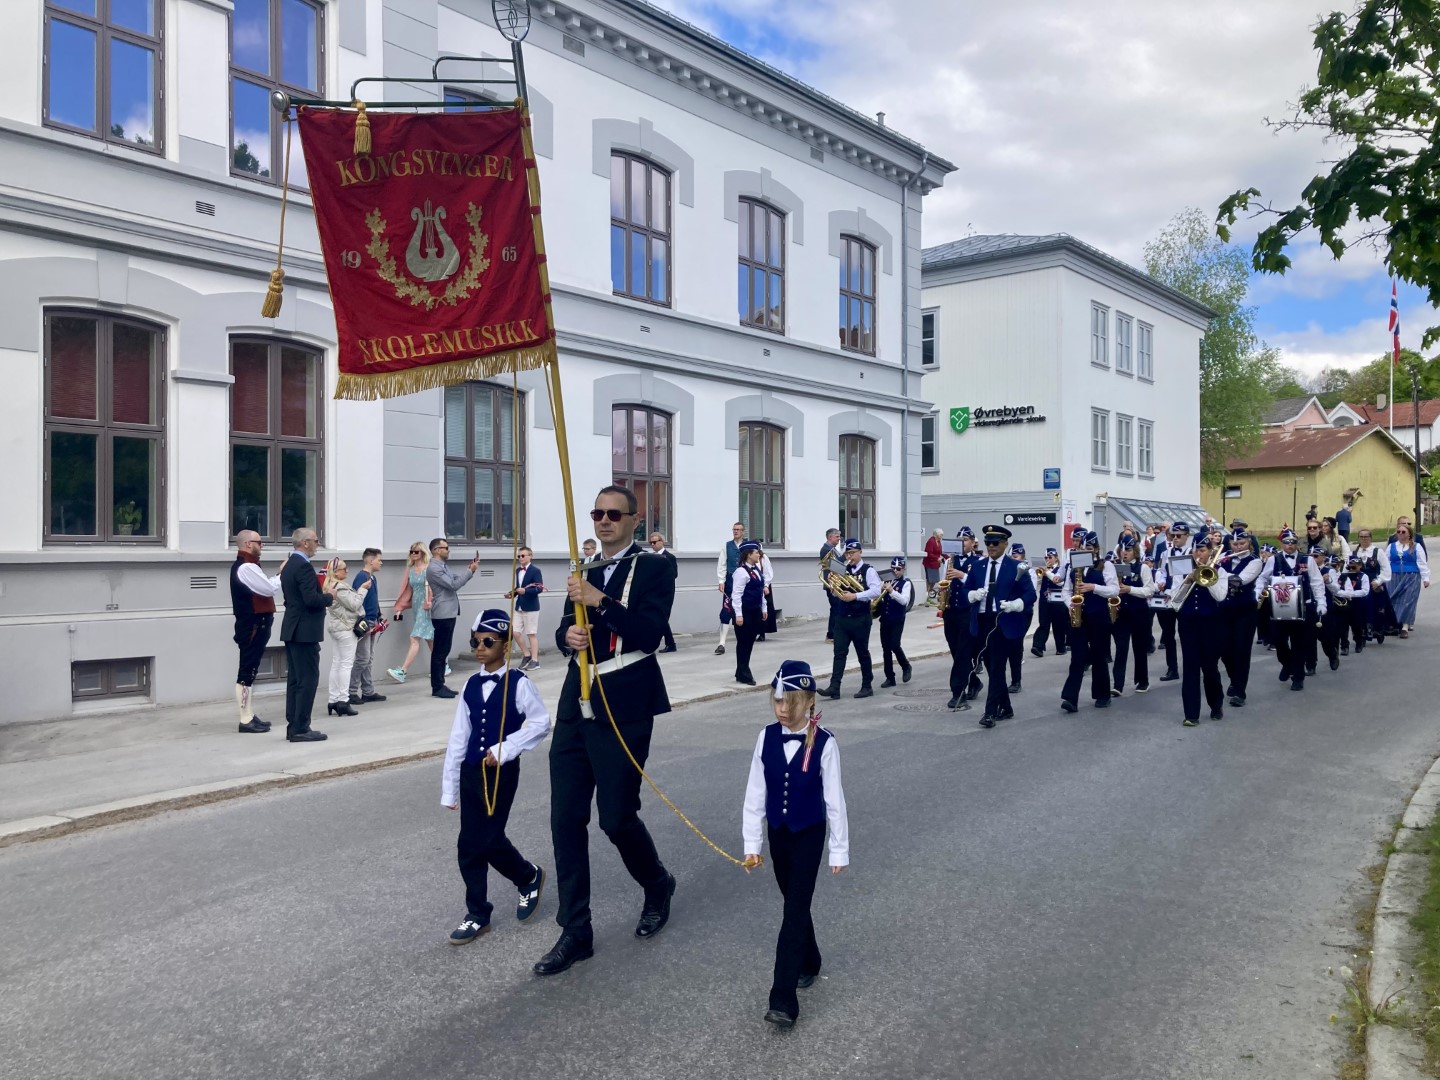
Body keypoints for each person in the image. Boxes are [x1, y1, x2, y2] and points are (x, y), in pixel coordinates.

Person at [535, 485, 677, 978]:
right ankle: (576, 930)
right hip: (578, 697)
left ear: (634, 520)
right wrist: (566, 636)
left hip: (628, 696)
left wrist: (601, 600)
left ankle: (657, 882)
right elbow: (561, 630)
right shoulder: (584, 569)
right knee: (565, 818)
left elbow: (649, 633)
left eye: (614, 514)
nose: (603, 521)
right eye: (597, 513)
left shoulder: (657, 566)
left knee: (616, 818)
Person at [742, 660, 849, 1030]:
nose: (783, 710)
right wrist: (751, 844)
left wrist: (839, 850)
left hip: (809, 834)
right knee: (794, 902)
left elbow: (835, 801)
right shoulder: (765, 737)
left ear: (808, 702)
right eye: (777, 702)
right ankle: (811, 960)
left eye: (790, 703)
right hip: (778, 834)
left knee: (793, 911)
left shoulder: (825, 743)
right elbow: (755, 794)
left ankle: (783, 997)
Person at [441, 609, 551, 946]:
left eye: (488, 641)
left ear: (505, 645)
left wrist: (507, 747)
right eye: (475, 641)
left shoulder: (518, 683)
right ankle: (477, 913)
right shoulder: (471, 685)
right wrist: (450, 789)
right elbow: (459, 736)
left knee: (487, 839)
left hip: (501, 773)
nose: (479, 647)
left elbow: (541, 722)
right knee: (468, 844)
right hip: (471, 770)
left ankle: (528, 876)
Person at [967, 525, 1036, 727]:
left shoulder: (1016, 567)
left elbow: (1031, 594)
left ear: (1005, 544)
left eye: (995, 543)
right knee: (990, 667)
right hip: (982, 622)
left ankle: (990, 713)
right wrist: (971, 595)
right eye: (988, 542)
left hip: (1003, 622)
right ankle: (1006, 707)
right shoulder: (979, 566)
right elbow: (966, 589)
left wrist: (1017, 605)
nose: (990, 546)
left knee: (997, 668)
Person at [278, 528, 331, 742]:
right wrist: (329, 596)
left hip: (293, 628)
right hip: (304, 631)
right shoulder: (304, 567)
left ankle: (294, 725)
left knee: (295, 679)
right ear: (306, 543)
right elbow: (311, 600)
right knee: (307, 679)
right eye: (316, 541)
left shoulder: (289, 565)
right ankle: (301, 727)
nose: (318, 544)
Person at [1173, 535, 1231, 726]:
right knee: (1190, 667)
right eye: (1196, 550)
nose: (1199, 553)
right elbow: (1173, 599)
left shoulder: (1220, 571)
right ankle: (1191, 714)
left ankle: (1216, 704)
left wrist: (1208, 576)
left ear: (1210, 552)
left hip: (1210, 625)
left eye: (1203, 550)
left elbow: (1221, 596)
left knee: (1209, 668)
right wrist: (1188, 580)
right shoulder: (1181, 568)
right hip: (1188, 623)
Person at [1059, 531, 1118, 713]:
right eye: (1083, 547)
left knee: (1099, 656)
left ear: (1096, 549)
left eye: (1090, 548)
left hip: (1099, 616)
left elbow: (1114, 590)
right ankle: (1070, 698)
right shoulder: (1072, 565)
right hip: (1079, 616)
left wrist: (1094, 587)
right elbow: (1066, 590)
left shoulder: (1105, 565)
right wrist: (1070, 604)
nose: (1086, 550)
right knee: (1077, 657)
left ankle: (1102, 695)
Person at [230, 530, 281, 734]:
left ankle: (249, 714)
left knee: (250, 670)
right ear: (249, 544)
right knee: (247, 671)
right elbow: (268, 589)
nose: (262, 546)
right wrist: (281, 575)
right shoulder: (246, 567)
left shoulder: (249, 566)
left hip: (256, 624)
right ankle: (245, 718)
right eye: (260, 542)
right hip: (252, 625)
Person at [817, 540, 880, 700]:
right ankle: (834, 687)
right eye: (847, 553)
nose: (849, 556)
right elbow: (838, 593)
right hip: (842, 618)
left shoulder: (868, 570)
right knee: (839, 653)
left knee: (862, 653)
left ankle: (867, 686)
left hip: (860, 618)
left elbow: (875, 591)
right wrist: (833, 588)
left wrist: (856, 596)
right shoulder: (843, 570)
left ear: (860, 552)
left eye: (852, 553)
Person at [1269, 528, 1326, 691]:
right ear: (1281, 543)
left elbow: (1317, 582)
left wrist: (1321, 602)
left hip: (1303, 606)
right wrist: (1258, 591)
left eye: (1293, 542)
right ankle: (1287, 664)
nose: (1290, 545)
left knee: (1299, 643)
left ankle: (1298, 677)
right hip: (1280, 606)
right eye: (1286, 542)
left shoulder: (1307, 560)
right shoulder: (1274, 560)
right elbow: (1263, 578)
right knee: (1279, 641)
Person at [426, 538, 479, 699]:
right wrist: (470, 572)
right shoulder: (434, 568)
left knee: (444, 649)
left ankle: (440, 683)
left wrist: (469, 570)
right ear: (436, 550)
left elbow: (455, 579)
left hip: (448, 611)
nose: (448, 550)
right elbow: (453, 585)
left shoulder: (442, 566)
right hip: (442, 612)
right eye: (446, 548)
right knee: (440, 651)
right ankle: (437, 686)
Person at [1218, 529, 1264, 707]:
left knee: (1241, 651)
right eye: (1235, 544)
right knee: (1224, 650)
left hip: (1245, 611)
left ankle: (1240, 691)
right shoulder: (1223, 558)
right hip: (1224, 610)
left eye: (1242, 544)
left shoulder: (1255, 561)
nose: (1238, 547)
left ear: (1249, 544)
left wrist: (1220, 575)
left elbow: (1241, 580)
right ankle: (1233, 679)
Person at [942, 527, 984, 710]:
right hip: (951, 611)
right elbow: (944, 581)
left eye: (966, 539)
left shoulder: (979, 561)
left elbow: (981, 586)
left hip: (968, 612)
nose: (963, 543)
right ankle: (974, 681)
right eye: (960, 540)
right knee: (955, 651)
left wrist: (962, 576)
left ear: (973, 542)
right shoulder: (950, 561)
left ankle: (958, 693)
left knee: (963, 652)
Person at [321, 557, 369, 717]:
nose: (347, 571)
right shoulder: (339, 587)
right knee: (346, 664)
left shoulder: (328, 586)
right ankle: (343, 700)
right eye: (344, 568)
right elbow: (354, 605)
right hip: (346, 629)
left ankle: (333, 700)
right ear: (335, 572)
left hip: (336, 628)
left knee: (337, 663)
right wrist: (363, 589)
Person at [1110, 533, 1155, 696]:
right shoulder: (1115, 567)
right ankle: (1117, 684)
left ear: (1134, 550)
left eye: (1128, 550)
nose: (1125, 553)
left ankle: (1143, 681)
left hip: (1139, 612)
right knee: (1121, 649)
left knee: (1139, 648)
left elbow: (1150, 590)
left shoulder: (1142, 568)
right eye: (1122, 550)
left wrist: (1130, 589)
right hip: (1122, 613)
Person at [389, 543, 439, 684]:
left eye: (416, 551)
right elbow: (408, 591)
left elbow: (434, 587)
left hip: (426, 607)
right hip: (417, 607)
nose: (413, 554)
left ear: (422, 552)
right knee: (429, 638)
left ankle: (402, 671)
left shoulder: (429, 569)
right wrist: (401, 607)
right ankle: (443, 665)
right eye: (411, 551)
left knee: (415, 637)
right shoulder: (411, 570)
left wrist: (431, 602)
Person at [1151, 522, 1191, 682]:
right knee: (1168, 635)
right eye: (1172, 535)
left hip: (1183, 597)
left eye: (1178, 536)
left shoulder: (1191, 552)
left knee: (1186, 634)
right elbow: (1161, 570)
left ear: (1186, 536)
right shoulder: (1166, 552)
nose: (1175, 539)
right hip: (1168, 596)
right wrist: (1159, 581)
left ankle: (1190, 667)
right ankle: (1172, 668)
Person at [348, 548, 387, 706]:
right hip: (365, 622)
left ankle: (368, 691)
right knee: (362, 658)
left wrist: (379, 615)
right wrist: (362, 621)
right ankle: (350, 691)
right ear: (371, 561)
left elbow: (373, 600)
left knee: (368, 658)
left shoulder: (373, 578)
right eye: (379, 559)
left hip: (373, 620)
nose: (381, 562)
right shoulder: (361, 577)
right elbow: (357, 600)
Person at [730, 540, 767, 685]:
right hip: (744, 611)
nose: (759, 554)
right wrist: (738, 614)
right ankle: (744, 672)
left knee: (750, 641)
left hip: (754, 610)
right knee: (743, 642)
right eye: (756, 552)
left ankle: (741, 671)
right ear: (749, 554)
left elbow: (761, 591)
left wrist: (763, 608)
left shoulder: (756, 569)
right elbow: (736, 594)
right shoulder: (741, 572)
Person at [1353, 528, 1397, 642]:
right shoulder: (1355, 553)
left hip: (1374, 583)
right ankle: (1362, 631)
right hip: (1360, 583)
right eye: (1361, 537)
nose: (1364, 539)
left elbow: (1386, 569)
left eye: (1366, 537)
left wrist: (1378, 581)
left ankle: (1378, 630)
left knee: (1377, 608)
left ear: (1370, 538)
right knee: (1360, 609)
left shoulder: (1378, 552)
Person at [1388, 521, 1430, 637]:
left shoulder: (1416, 546)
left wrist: (1426, 578)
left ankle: (1405, 626)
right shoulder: (1391, 547)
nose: (1400, 533)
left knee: (1408, 601)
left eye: (1403, 532)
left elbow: (1422, 563)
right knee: (1393, 598)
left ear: (1409, 534)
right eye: (1398, 531)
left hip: (1411, 576)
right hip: (1394, 576)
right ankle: (1395, 622)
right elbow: (1386, 563)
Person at [506, 546, 545, 670]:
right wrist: (512, 593)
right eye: (519, 556)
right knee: (515, 632)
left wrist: (525, 592)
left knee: (531, 634)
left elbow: (539, 588)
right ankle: (526, 655)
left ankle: (535, 660)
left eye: (523, 556)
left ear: (530, 556)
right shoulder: (518, 571)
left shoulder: (535, 571)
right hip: (520, 606)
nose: (520, 558)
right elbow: (519, 587)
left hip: (531, 607)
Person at [878, 556, 914, 688]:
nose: (896, 571)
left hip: (897, 618)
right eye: (893, 568)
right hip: (885, 618)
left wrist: (892, 591)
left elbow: (904, 601)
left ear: (903, 569)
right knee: (885, 648)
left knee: (894, 645)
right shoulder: (887, 580)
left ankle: (906, 666)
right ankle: (889, 677)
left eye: (898, 569)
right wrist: (880, 590)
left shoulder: (906, 583)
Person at [1005, 542, 1034, 693]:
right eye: (1011, 556)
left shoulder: (1028, 571)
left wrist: (1016, 604)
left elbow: (1031, 593)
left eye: (1015, 556)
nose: (1012, 558)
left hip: (1023, 611)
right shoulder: (1008, 569)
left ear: (1021, 556)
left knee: (1016, 645)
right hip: (1006, 611)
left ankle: (1016, 681)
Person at [1032, 547, 1067, 658]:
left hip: (1058, 601)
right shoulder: (1044, 570)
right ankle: (1038, 646)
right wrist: (1039, 573)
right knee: (1043, 624)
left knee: (1058, 625)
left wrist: (1047, 572)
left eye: (1050, 557)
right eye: (1046, 557)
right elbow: (1036, 582)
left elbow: (1059, 583)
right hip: (1044, 600)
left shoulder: (1060, 569)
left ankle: (1061, 648)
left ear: (1056, 558)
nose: (1047, 559)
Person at [646, 533, 679, 652]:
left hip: (665, 592)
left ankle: (670, 643)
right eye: (651, 543)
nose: (652, 545)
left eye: (654, 542)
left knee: (662, 617)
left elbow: (674, 574)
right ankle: (670, 643)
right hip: (653, 591)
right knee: (659, 617)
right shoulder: (651, 557)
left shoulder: (669, 557)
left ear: (662, 542)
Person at [715, 522, 744, 656]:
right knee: (727, 609)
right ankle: (722, 643)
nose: (736, 531)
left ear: (743, 531)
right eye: (734, 529)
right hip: (731, 581)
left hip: (745, 580)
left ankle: (744, 638)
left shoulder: (749, 546)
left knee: (744, 608)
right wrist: (721, 580)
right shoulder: (727, 546)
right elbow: (722, 564)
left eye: (738, 530)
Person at [1335, 555, 1372, 655]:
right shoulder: (1343, 576)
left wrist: (1351, 594)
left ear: (1360, 566)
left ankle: (1359, 642)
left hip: (1358, 604)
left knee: (1357, 625)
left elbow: (1365, 591)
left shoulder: (1363, 576)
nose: (1352, 568)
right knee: (1343, 626)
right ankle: (1344, 646)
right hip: (1344, 604)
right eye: (1350, 566)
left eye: (1354, 566)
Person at [819, 528, 842, 642]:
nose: (839, 539)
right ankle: (831, 634)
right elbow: (835, 565)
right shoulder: (826, 549)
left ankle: (835, 633)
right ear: (830, 537)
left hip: (837, 583)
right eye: (837, 536)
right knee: (835, 609)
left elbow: (839, 562)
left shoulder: (833, 549)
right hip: (832, 583)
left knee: (837, 609)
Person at [922, 528, 945, 604]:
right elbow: (929, 553)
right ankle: (925, 597)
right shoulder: (931, 541)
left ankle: (928, 595)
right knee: (929, 581)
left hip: (935, 564)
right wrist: (937, 558)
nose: (942, 535)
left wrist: (949, 557)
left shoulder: (938, 541)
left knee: (934, 581)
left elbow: (941, 552)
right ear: (936, 534)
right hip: (929, 564)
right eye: (941, 534)